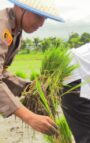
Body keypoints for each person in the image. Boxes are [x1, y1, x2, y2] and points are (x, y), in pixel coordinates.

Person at [0, 0, 63, 135]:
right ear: (20, 8)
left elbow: (1, 73)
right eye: (38, 16)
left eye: (44, 18)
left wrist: (28, 87)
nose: (41, 23)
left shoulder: (15, 30)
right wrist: (29, 117)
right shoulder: (2, 26)